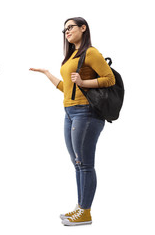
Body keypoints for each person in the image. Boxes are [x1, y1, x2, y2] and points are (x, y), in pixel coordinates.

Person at [30, 17, 115, 226]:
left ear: (83, 28)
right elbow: (68, 88)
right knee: (77, 163)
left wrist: (84, 81)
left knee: (85, 164)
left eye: (71, 27)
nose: (66, 32)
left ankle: (85, 212)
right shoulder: (72, 56)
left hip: (86, 113)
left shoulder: (91, 52)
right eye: (64, 29)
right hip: (69, 112)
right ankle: (80, 207)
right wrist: (48, 74)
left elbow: (109, 78)